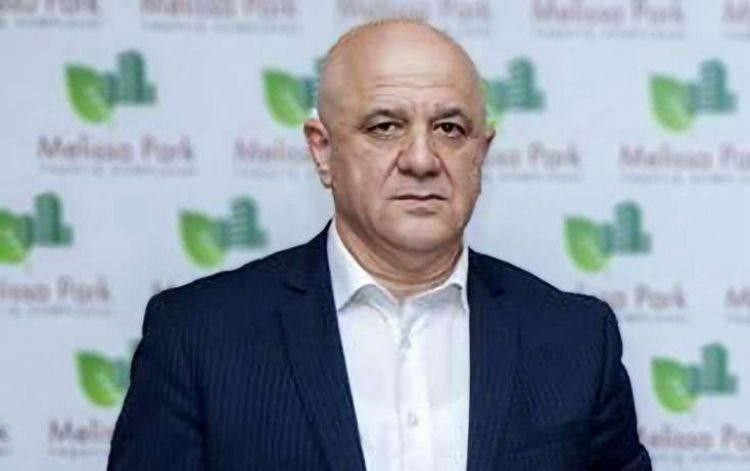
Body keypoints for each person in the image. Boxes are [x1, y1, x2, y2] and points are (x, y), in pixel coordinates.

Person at [108, 19, 651, 471]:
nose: (421, 159)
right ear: (322, 151)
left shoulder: (576, 340)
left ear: (481, 153)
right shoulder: (199, 338)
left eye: (450, 129)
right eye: (386, 126)